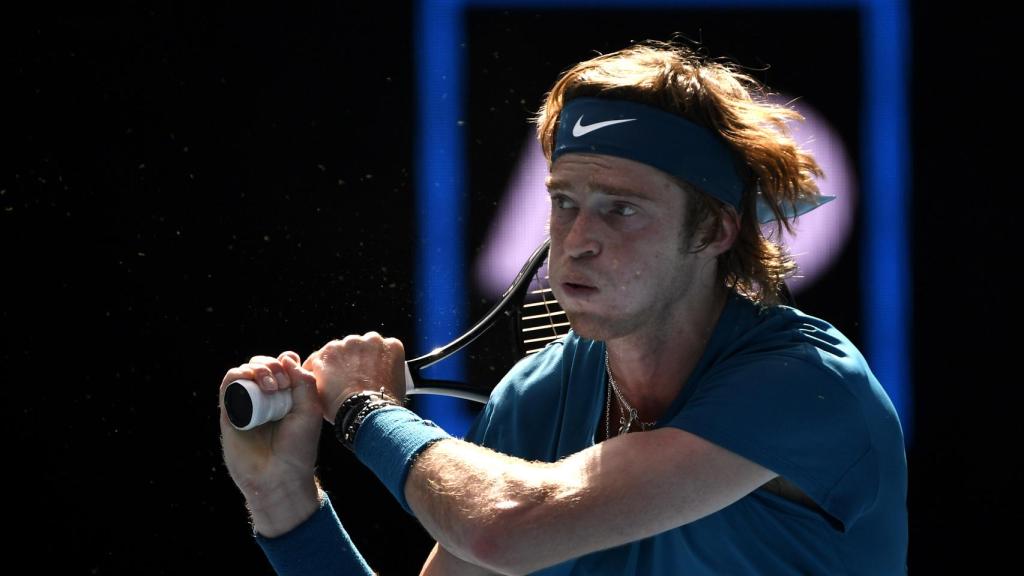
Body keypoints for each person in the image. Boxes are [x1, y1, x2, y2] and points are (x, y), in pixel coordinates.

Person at [218, 40, 908, 575]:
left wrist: (367, 410)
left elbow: (504, 526)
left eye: (621, 210)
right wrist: (283, 502)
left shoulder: (808, 385)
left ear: (713, 231)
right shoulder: (539, 397)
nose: (575, 243)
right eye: (564, 202)